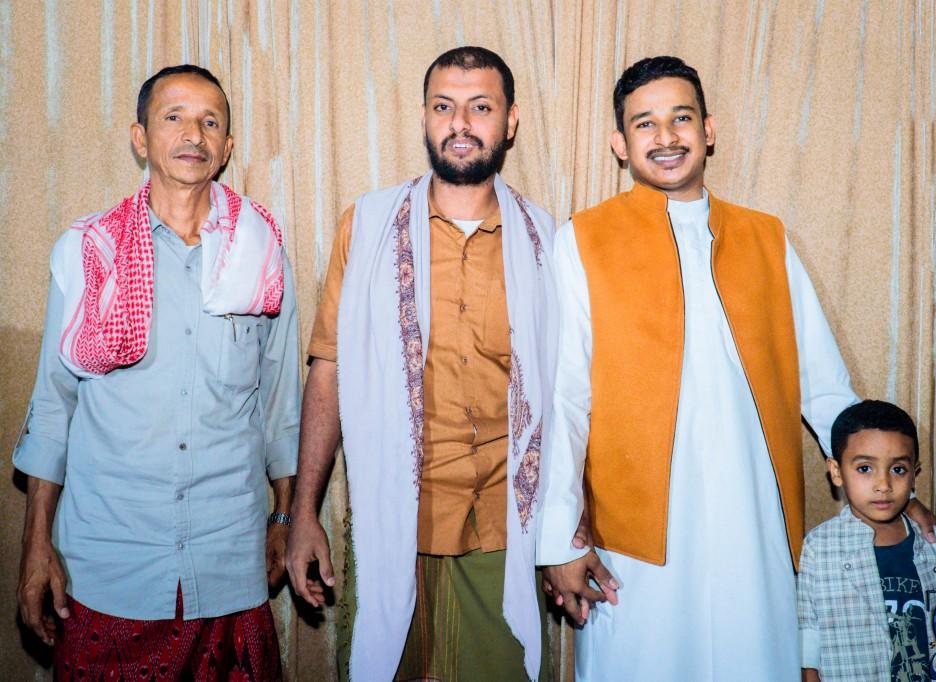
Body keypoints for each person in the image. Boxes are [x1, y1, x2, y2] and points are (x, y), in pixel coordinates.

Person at [535, 56, 936, 681]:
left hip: (755, 521)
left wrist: (886, 482)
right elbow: (564, 398)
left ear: (709, 129)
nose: (666, 137)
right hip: (635, 537)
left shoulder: (765, 238)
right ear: (620, 143)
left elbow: (825, 386)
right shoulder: (583, 240)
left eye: (681, 118)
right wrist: (559, 539)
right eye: (645, 123)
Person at [13, 64, 299, 681]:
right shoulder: (88, 252)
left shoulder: (261, 252)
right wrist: (36, 544)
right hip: (109, 569)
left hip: (229, 563)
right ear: (141, 138)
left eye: (210, 122)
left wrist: (286, 517)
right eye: (174, 117)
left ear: (227, 146)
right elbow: (54, 406)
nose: (193, 134)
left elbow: (281, 404)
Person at [285, 47, 555, 682]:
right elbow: (329, 370)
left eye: (480, 107)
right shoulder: (368, 227)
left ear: (511, 120)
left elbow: (570, 395)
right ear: (425, 117)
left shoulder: (547, 241)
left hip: (505, 532)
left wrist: (572, 527)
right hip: (394, 523)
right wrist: (303, 514)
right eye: (444, 106)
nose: (460, 123)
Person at [798, 400, 936, 682]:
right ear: (837, 471)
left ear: (914, 473)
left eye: (898, 469)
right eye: (865, 468)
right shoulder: (819, 547)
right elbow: (808, 633)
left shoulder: (935, 544)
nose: (883, 485)